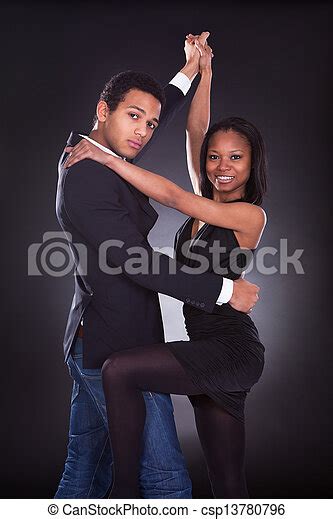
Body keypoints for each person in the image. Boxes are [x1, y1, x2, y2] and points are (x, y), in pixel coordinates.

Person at [56, 33, 260, 499]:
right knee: (163, 477)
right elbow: (138, 260)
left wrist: (193, 71)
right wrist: (227, 291)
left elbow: (160, 117)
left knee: (85, 467)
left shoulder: (105, 152)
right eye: (134, 118)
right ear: (103, 111)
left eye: (150, 124)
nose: (144, 131)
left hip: (116, 340)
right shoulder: (89, 174)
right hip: (112, 340)